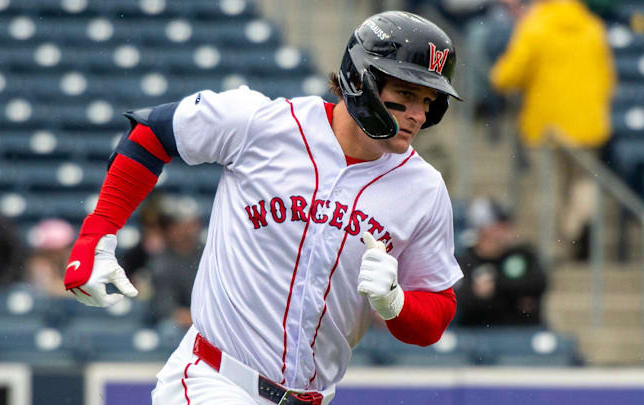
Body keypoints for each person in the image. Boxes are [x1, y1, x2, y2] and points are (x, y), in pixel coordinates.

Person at [62, 11, 462, 405]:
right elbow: (153, 132)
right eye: (406, 94)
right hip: (214, 380)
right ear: (361, 79)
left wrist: (396, 303)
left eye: (428, 100)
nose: (418, 114)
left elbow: (436, 314)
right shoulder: (264, 123)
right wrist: (97, 233)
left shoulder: (424, 189)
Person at [489, 0, 616, 258]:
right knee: (583, 182)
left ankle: (554, 248)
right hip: (588, 123)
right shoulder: (592, 27)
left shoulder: (536, 26)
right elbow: (608, 77)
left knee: (550, 187)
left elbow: (509, 74)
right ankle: (579, 225)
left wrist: (498, 77)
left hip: (547, 125)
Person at [454, 197, 547, 326]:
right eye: (500, 226)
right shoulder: (465, 261)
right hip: (478, 335)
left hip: (521, 332)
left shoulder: (521, 255)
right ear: (483, 230)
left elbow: (538, 284)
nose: (506, 231)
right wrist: (514, 296)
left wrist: (495, 286)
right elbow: (461, 300)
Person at [148, 195, 203, 330]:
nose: (185, 231)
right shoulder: (162, 263)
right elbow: (166, 310)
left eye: (191, 224)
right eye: (180, 225)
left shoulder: (208, 255)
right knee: (168, 328)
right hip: (178, 328)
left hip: (207, 322)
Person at [25, 218, 75, 297]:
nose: (48, 254)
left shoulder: (73, 261)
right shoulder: (38, 264)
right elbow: (46, 289)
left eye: (52, 251)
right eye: (46, 251)